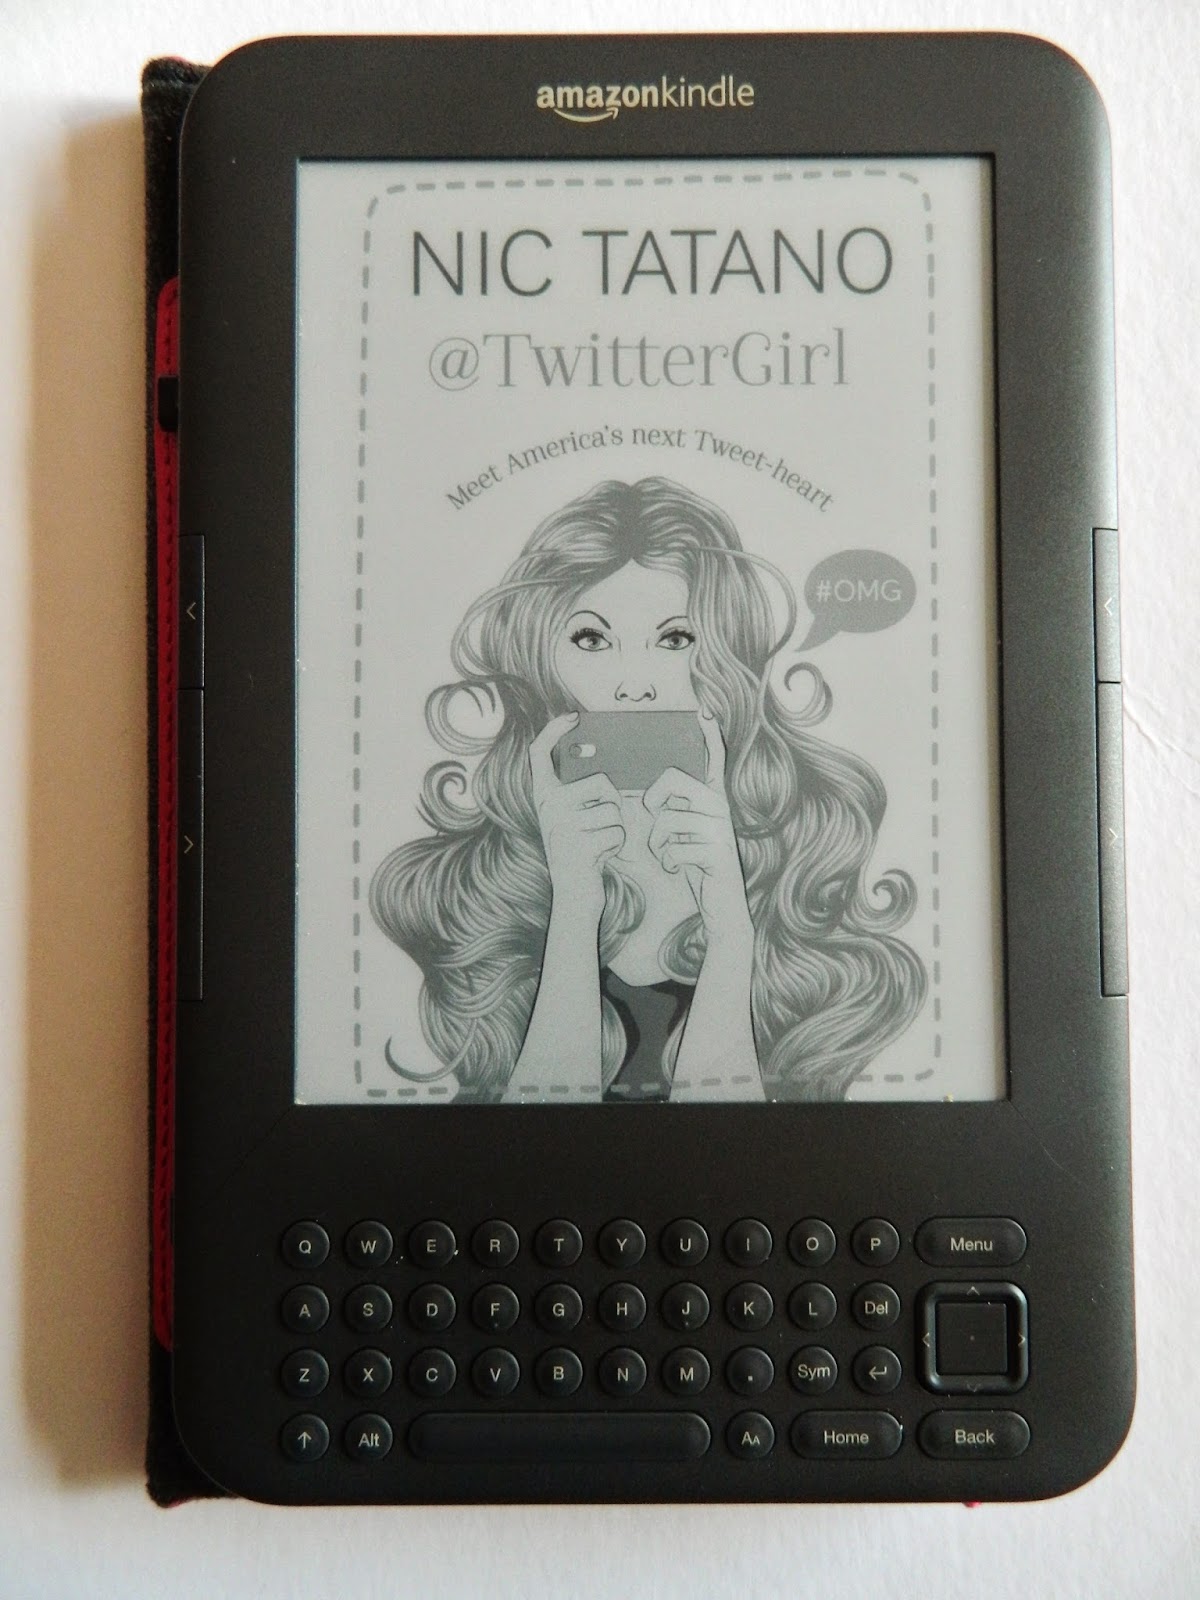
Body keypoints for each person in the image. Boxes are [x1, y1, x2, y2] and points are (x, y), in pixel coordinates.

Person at [370, 476, 924, 1103]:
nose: (634, 683)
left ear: (727, 653)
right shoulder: (465, 889)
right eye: (591, 639)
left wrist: (731, 930)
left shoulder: (807, 849)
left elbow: (741, 1145)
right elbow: (533, 1141)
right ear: (538, 655)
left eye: (674, 639)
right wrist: (574, 906)